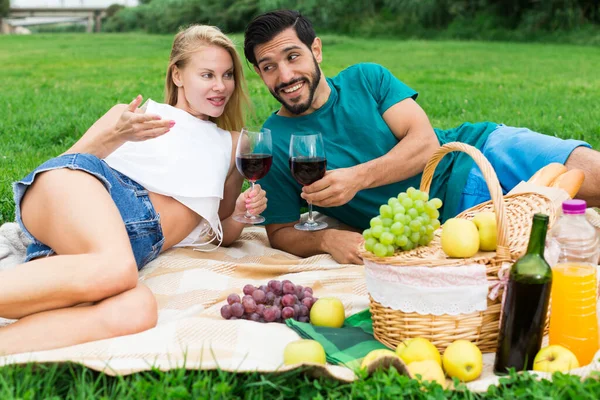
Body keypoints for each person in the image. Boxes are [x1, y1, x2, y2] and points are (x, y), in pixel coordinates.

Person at [242, 10, 600, 265]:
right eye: (269, 66)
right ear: (260, 73)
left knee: (593, 175)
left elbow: (425, 144)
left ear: (316, 50)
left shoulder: (366, 79)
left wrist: (358, 178)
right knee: (561, 250)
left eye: (293, 56)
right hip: (450, 219)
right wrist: (325, 238)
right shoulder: (272, 141)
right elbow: (280, 230)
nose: (285, 75)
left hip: (479, 149)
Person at [0, 25, 267, 355]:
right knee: (117, 268)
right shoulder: (132, 116)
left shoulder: (233, 145)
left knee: (137, 308)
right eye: (207, 74)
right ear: (178, 75)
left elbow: (217, 231)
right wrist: (115, 136)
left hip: (111, 250)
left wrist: (240, 215)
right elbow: (62, 167)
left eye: (227, 75)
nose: (220, 86)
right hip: (84, 191)